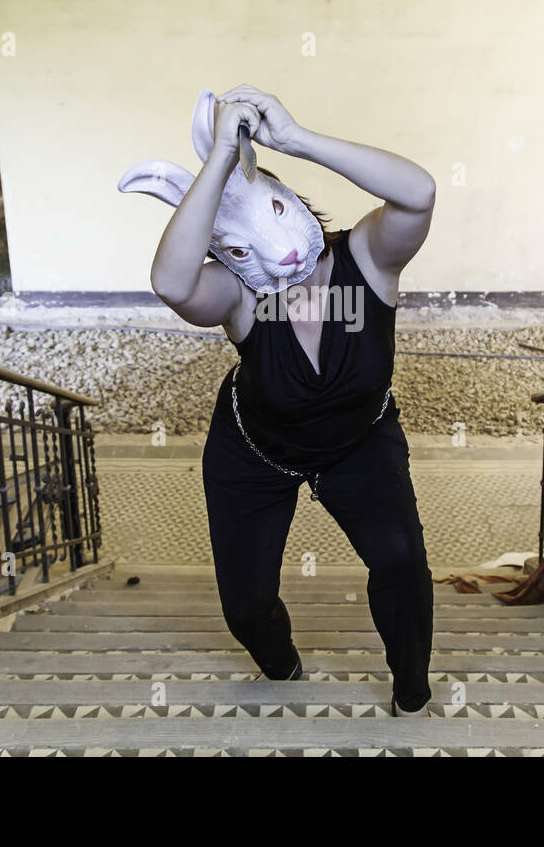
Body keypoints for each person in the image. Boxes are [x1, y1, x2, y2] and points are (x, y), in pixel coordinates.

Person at [141, 84, 437, 716]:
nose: (286, 254)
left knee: (402, 560)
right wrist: (219, 156)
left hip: (360, 444)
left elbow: (420, 192)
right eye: (243, 248)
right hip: (255, 453)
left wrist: (297, 139)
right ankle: (282, 665)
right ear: (229, 259)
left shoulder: (368, 260)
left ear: (295, 201)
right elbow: (171, 281)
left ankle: (411, 687)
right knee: (245, 604)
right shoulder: (242, 297)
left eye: (277, 215)